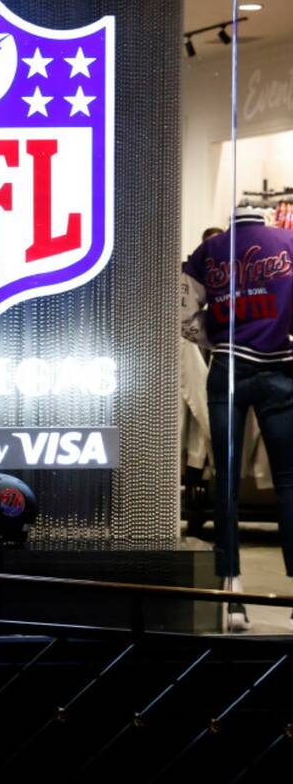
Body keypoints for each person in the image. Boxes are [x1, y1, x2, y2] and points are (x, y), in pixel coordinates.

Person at [181, 206, 293, 632]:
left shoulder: (207, 250)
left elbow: (185, 316)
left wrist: (217, 341)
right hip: (280, 367)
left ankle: (233, 594)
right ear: (263, 218)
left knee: (225, 478)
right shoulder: (289, 243)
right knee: (288, 480)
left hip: (227, 367)